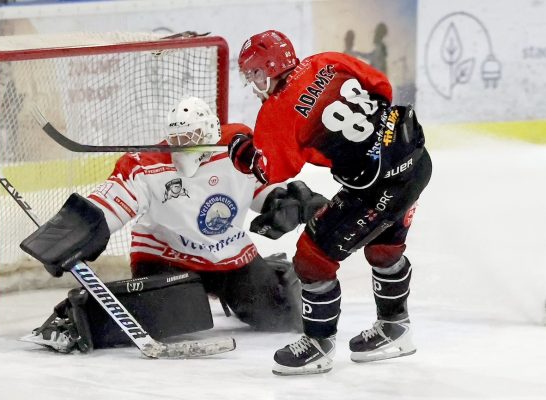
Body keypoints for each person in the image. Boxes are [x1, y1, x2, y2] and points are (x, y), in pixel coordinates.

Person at [19, 97, 327, 353]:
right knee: (175, 314)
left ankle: (271, 272)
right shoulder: (146, 165)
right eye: (176, 138)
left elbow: (259, 189)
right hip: (166, 258)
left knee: (281, 315)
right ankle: (72, 320)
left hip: (230, 258)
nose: (180, 146)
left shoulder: (238, 149)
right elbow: (106, 206)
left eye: (189, 139)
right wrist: (73, 233)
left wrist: (282, 201)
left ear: (208, 134)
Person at [228, 30, 432, 375]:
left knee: (311, 259)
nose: (255, 82)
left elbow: (272, 171)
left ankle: (318, 345)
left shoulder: (276, 113)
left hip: (376, 189)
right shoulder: (326, 62)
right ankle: (396, 329)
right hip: (414, 160)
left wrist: (243, 152)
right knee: (384, 249)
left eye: (256, 73)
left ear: (270, 67)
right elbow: (381, 86)